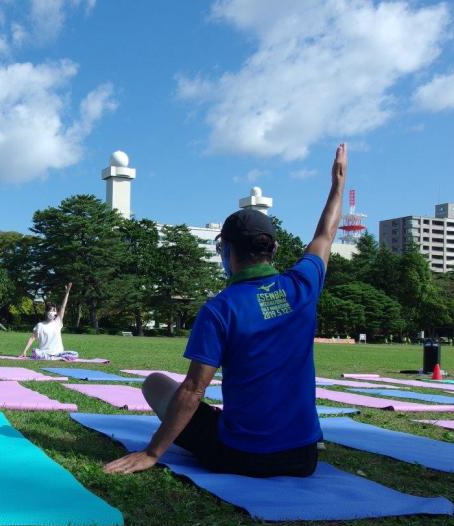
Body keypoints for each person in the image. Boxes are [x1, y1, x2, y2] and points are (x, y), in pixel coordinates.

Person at [104, 144, 347, 478]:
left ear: (227, 251)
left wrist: (152, 451)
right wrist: (337, 187)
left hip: (240, 456)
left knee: (156, 384)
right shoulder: (302, 286)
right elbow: (326, 234)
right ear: (273, 249)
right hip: (303, 458)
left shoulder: (220, 308)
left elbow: (192, 390)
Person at [21, 282, 78, 360]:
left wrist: (67, 293)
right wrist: (24, 351)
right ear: (46, 312)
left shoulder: (58, 322)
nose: (53, 312)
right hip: (44, 353)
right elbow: (32, 338)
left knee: (74, 354)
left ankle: (56, 357)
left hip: (58, 353)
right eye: (51, 310)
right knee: (36, 352)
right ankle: (52, 357)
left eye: (54, 310)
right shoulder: (40, 325)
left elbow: (63, 307)